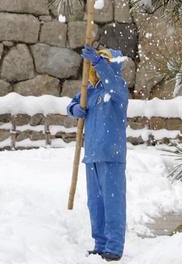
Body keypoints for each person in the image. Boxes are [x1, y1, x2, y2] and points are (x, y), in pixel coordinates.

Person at [67, 45, 129, 262]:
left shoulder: (117, 88)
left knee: (113, 202)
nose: (96, 67)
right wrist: (74, 109)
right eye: (95, 63)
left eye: (104, 61)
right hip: (91, 155)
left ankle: (114, 245)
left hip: (112, 155)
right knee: (95, 202)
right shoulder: (90, 91)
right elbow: (73, 103)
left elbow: (112, 83)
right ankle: (100, 243)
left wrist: (98, 63)